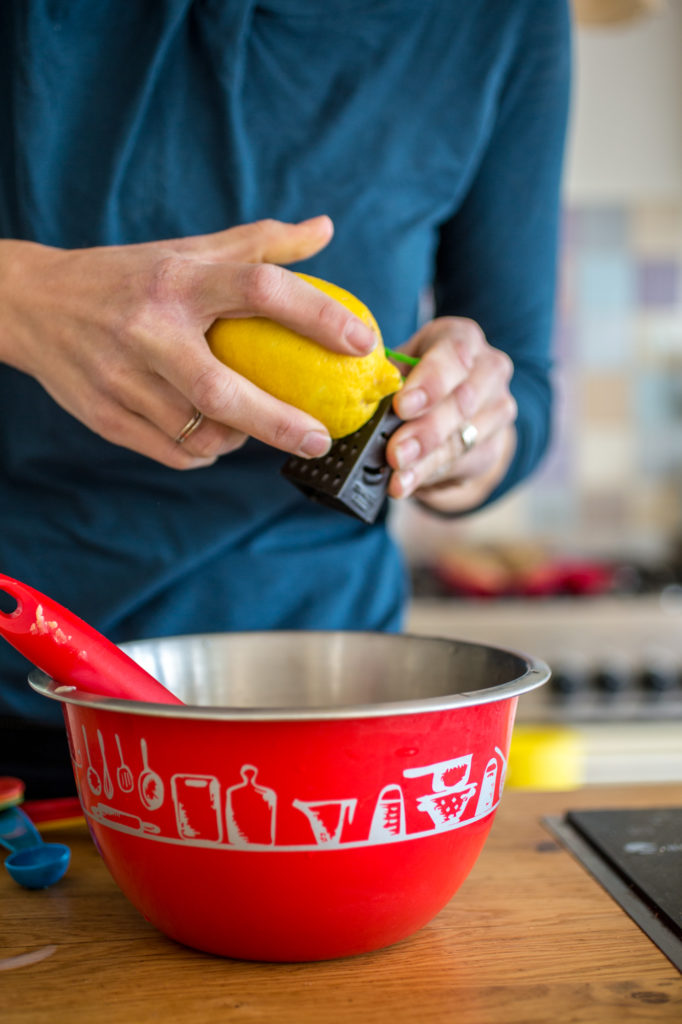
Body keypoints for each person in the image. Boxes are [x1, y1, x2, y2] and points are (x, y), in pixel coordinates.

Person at [0, 0, 571, 797]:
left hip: (331, 710)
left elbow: (526, 385)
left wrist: (467, 428)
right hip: (20, 687)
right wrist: (19, 296)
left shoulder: (503, 18)